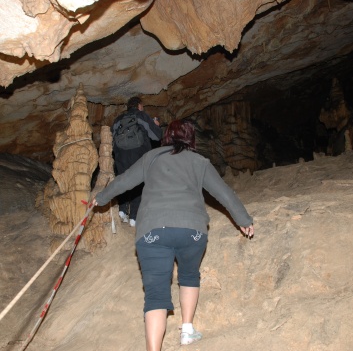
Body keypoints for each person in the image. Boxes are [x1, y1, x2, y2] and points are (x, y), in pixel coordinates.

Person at [94, 120, 254, 351]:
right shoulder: (199, 161)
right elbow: (224, 193)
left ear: (165, 137)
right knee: (189, 275)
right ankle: (187, 331)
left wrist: (100, 198)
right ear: (191, 140)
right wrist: (244, 221)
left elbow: (124, 181)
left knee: (156, 295)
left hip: (153, 232)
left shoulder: (151, 158)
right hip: (192, 231)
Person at [111, 96, 162, 227]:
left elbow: (111, 139)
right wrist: (156, 125)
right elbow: (157, 136)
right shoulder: (142, 116)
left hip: (120, 156)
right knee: (139, 184)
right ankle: (134, 216)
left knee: (123, 180)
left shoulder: (118, 120)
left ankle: (122, 211)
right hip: (139, 154)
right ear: (139, 105)